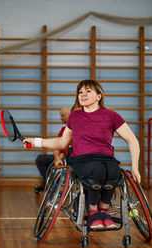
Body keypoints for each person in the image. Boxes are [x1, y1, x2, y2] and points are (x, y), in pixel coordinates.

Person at [23, 79, 140, 230]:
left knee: (113, 170)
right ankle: (93, 212)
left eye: (88, 91)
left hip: (106, 158)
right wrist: (36, 142)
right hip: (82, 159)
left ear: (99, 96)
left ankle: (103, 211)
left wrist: (135, 167)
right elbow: (62, 142)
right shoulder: (75, 116)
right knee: (96, 169)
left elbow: (132, 140)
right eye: (80, 92)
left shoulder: (111, 116)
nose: (83, 95)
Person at [35, 106, 71, 193]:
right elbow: (57, 145)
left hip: (73, 157)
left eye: (63, 116)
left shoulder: (77, 129)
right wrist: (57, 157)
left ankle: (50, 184)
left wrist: (64, 155)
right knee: (41, 159)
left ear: (70, 116)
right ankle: (49, 183)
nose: (60, 118)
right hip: (64, 156)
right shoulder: (63, 129)